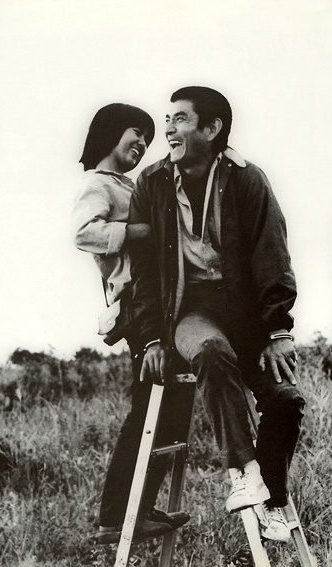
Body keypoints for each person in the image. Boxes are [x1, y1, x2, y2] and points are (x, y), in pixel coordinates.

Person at [126, 86, 306, 543]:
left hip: (247, 315)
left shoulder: (247, 179)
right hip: (190, 312)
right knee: (209, 349)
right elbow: (143, 271)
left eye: (180, 119)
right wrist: (151, 338)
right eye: (168, 119)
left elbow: (273, 254)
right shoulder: (151, 183)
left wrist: (279, 329)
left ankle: (273, 502)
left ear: (212, 128)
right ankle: (244, 472)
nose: (169, 129)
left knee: (286, 398)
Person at [71, 103, 189, 544]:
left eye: (147, 139)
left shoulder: (129, 184)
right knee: (148, 408)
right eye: (136, 133)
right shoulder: (97, 184)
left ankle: (138, 507)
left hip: (154, 300)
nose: (142, 143)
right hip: (136, 305)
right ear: (109, 132)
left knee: (169, 409)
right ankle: (115, 515)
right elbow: (82, 233)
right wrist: (140, 231)